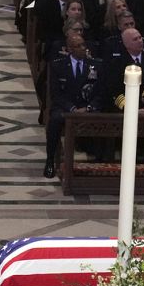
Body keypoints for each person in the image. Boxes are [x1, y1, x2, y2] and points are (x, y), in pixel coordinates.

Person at [44, 34, 105, 178]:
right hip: (66, 107)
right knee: (54, 121)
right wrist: (72, 109)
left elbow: (101, 92)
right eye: (78, 46)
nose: (83, 48)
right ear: (69, 49)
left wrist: (89, 108)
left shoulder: (96, 65)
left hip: (87, 106)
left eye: (84, 45)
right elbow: (56, 94)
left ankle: (101, 160)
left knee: (105, 118)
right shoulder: (58, 65)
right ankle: (50, 160)